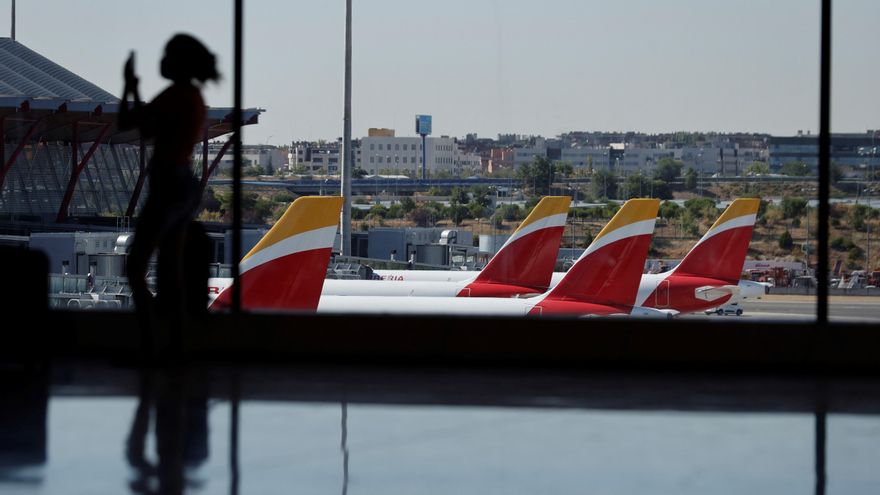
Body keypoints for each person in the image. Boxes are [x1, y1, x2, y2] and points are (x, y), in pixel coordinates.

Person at [120, 34, 220, 342]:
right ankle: (175, 345)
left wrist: (129, 87)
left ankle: (151, 343)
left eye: (167, 55)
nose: (162, 61)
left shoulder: (176, 95)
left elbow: (131, 124)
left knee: (136, 268)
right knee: (172, 272)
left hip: (169, 184)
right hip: (182, 184)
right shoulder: (192, 97)